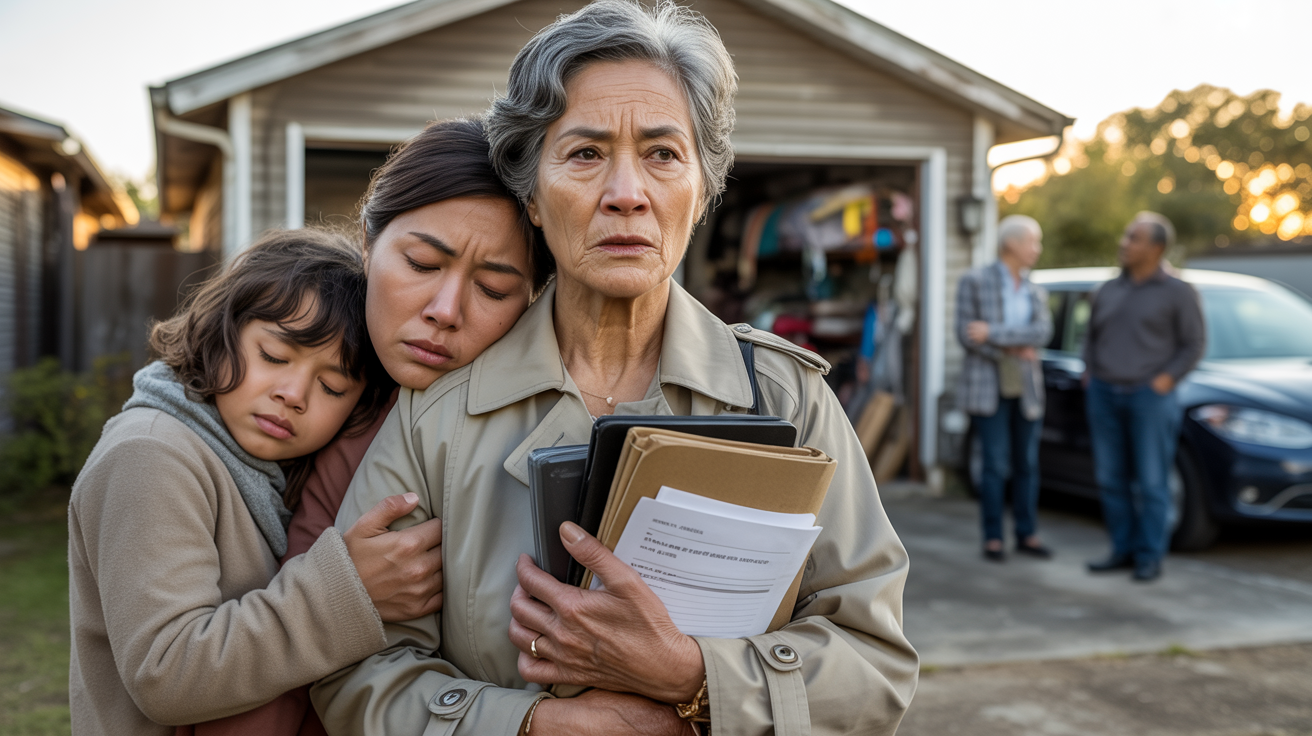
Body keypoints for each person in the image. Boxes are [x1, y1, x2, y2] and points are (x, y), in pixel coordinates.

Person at [311, 2, 919, 735]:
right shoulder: (437, 410)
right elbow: (357, 675)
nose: (626, 193)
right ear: (532, 197)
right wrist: (533, 726)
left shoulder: (787, 398)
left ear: (701, 190)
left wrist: (694, 675)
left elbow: (875, 665)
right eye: (585, 154)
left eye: (663, 154)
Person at [182, 117, 554, 735]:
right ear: (368, 242)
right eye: (421, 263)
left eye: (493, 289)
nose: (445, 312)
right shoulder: (328, 416)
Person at [68, 231, 447, 736]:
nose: (294, 394)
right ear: (220, 330)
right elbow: (166, 673)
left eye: (332, 386)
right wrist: (350, 592)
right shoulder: (151, 453)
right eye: (274, 355)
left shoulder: (265, 466)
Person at [1083, 212, 1205, 582]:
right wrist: (1090, 372)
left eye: (1133, 238)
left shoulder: (1178, 292)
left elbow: (1194, 344)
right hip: (1104, 394)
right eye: (1125, 236)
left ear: (1156, 248)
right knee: (1110, 478)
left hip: (1149, 398)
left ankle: (1149, 556)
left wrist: (1165, 381)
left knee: (1152, 481)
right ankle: (1122, 550)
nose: (1124, 243)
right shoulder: (1108, 289)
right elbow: (1090, 337)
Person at [956, 215, 1053, 562]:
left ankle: (1027, 534)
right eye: (1033, 242)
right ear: (1011, 243)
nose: (1037, 249)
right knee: (995, 464)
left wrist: (994, 334)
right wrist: (1014, 348)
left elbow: (1042, 333)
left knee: (1027, 463)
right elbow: (967, 335)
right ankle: (993, 537)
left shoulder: (1035, 289)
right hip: (988, 386)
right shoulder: (974, 281)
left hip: (1026, 387)